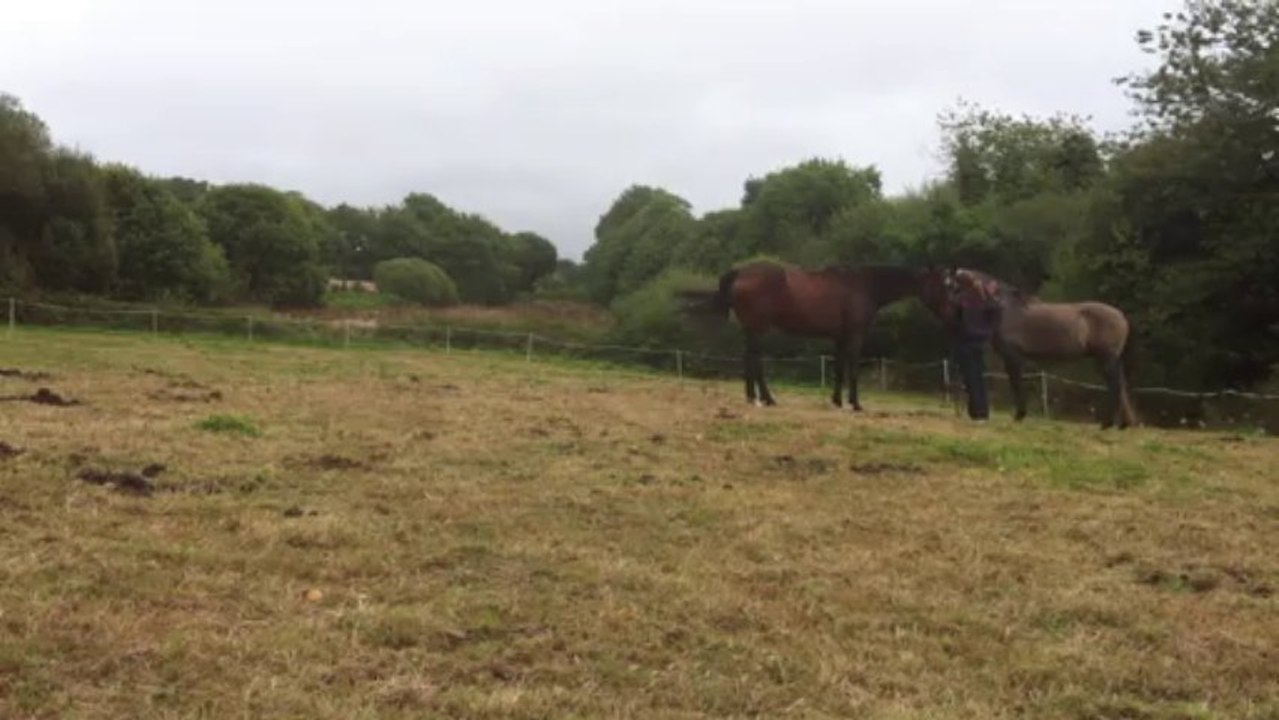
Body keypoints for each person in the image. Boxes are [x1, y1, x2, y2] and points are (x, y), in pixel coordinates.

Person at [944, 270, 1002, 421]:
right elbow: (996, 309)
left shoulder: (959, 299)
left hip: (965, 342)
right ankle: (982, 410)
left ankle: (977, 412)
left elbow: (950, 319)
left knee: (970, 378)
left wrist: (958, 331)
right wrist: (989, 331)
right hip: (981, 342)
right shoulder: (982, 297)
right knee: (979, 377)